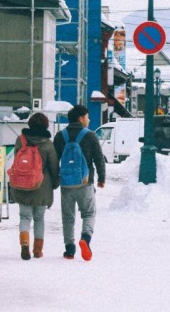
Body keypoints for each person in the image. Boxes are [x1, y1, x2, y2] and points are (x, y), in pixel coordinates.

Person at [53, 105, 106, 261]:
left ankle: (69, 249)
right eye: (87, 117)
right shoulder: (90, 135)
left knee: (68, 217)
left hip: (66, 183)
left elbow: (54, 160)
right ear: (81, 118)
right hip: (85, 182)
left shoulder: (60, 136)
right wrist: (101, 178)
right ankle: (85, 239)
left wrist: (56, 180)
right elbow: (99, 159)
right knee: (89, 213)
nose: (89, 120)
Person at [11, 112, 59, 260]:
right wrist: (55, 183)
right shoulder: (48, 144)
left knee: (24, 217)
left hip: (22, 184)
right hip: (41, 186)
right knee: (39, 218)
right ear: (45, 125)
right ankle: (37, 250)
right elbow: (54, 166)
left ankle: (24, 244)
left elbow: (16, 160)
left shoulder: (20, 140)